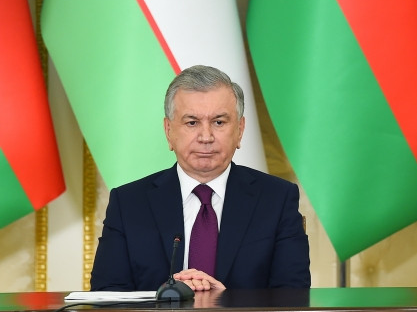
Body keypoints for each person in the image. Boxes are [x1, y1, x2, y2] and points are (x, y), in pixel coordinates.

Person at [90, 65, 310, 292]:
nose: (206, 137)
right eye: (192, 122)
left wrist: (224, 301)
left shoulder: (277, 199)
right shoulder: (129, 203)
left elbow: (293, 294)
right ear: (168, 131)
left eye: (219, 122)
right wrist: (167, 298)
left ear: (240, 130)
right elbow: (106, 294)